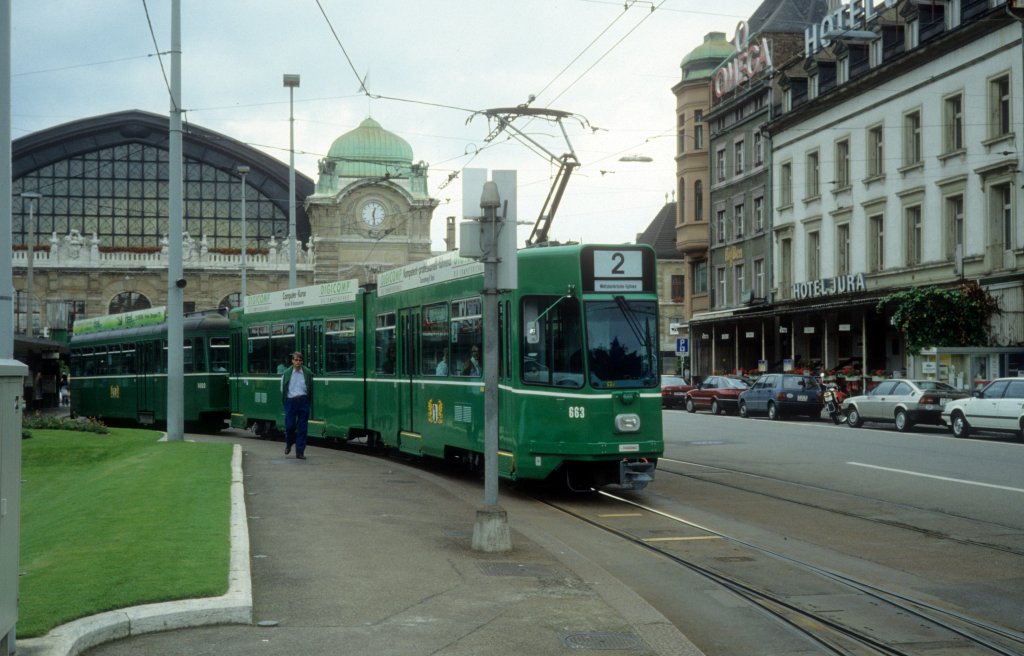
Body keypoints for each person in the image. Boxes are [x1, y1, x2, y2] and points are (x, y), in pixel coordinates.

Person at [280, 351, 313, 460]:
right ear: (292, 361)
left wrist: (309, 401)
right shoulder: (286, 373)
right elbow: (282, 388)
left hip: (303, 400)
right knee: (290, 426)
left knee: (302, 428)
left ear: (302, 361)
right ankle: (289, 443)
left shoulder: (308, 373)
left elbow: (311, 388)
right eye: (296, 360)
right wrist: (285, 401)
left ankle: (300, 452)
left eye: (300, 360)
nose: (298, 362)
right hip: (291, 401)